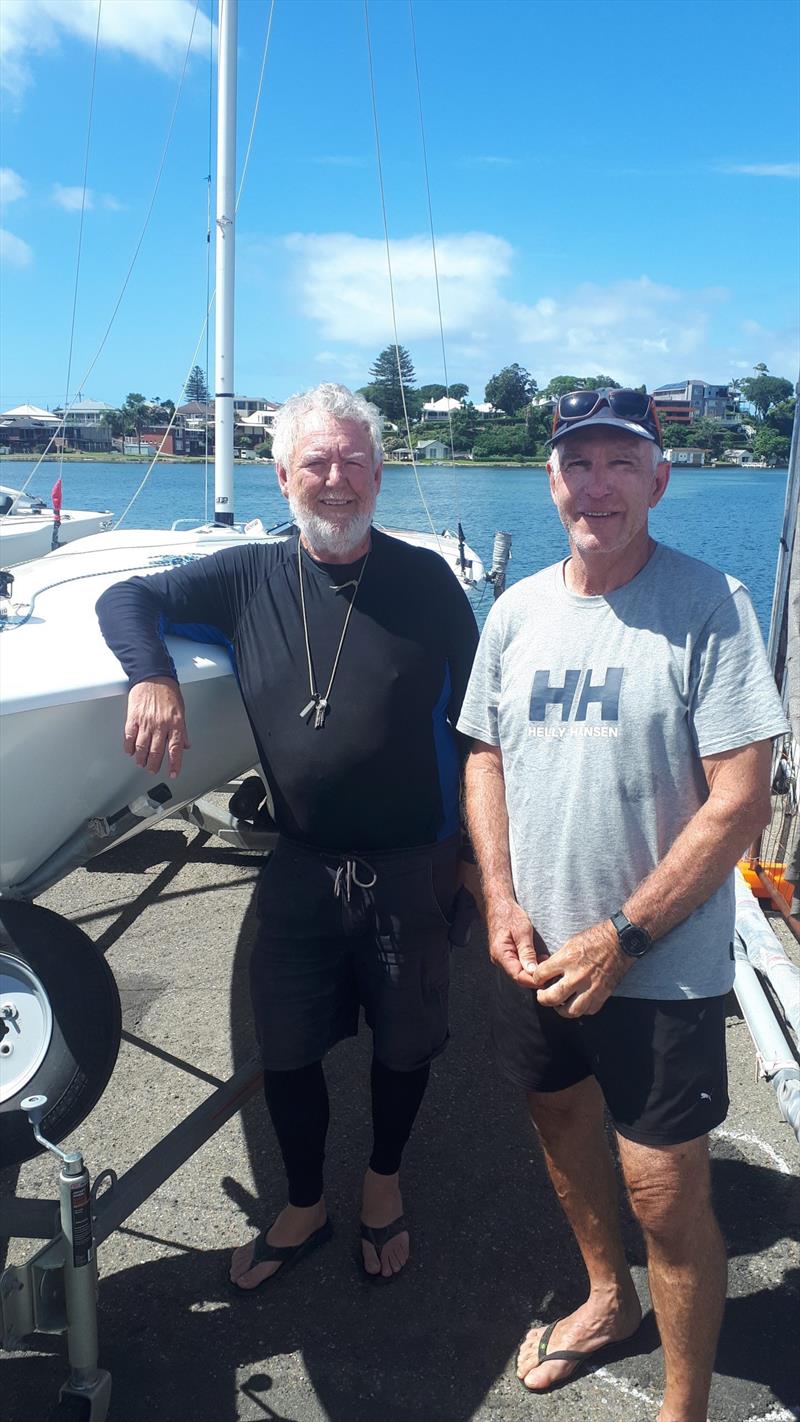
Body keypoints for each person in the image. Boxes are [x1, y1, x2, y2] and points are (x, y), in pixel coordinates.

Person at [96, 383, 478, 1286]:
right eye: (317, 461)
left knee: (404, 1043)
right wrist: (152, 678)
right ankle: (303, 1203)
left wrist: (473, 862)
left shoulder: (425, 582)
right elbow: (125, 598)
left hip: (412, 862)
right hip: (303, 863)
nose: (336, 479)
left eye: (354, 461)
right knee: (290, 1046)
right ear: (281, 475)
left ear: (380, 474)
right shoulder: (244, 576)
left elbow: (482, 723)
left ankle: (382, 1184)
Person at [457, 389, 787, 1420]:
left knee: (663, 1192)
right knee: (557, 1122)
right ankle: (605, 1301)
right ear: (549, 479)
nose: (595, 485)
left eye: (618, 463)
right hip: (535, 949)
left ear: (656, 478)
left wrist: (625, 933)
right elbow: (483, 757)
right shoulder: (513, 611)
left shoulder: (709, 603)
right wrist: (498, 896)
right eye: (576, 464)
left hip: (659, 959)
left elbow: (740, 789)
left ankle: (679, 1404)